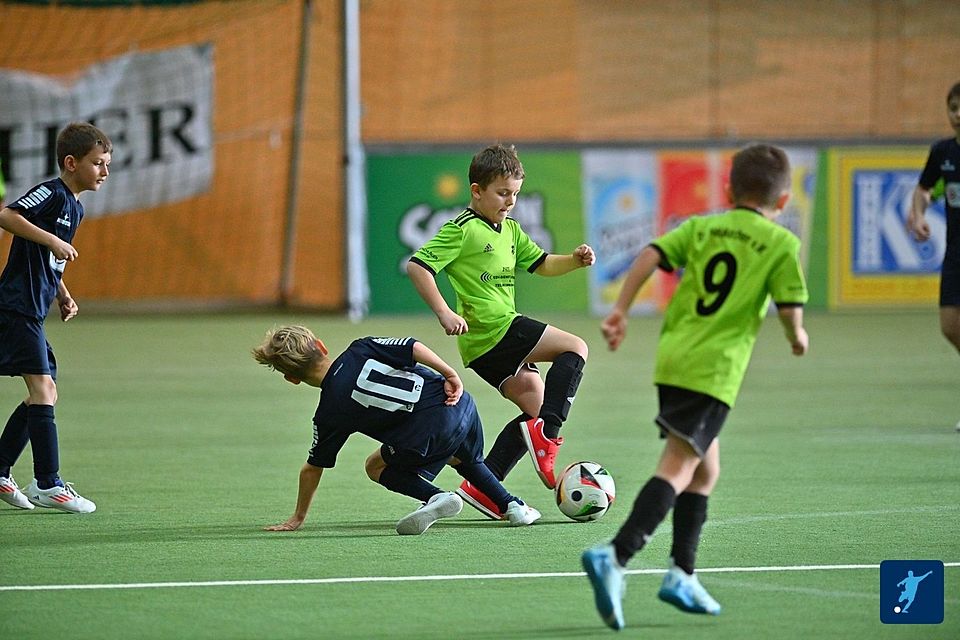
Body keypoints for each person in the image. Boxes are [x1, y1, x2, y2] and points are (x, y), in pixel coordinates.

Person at [581, 143, 809, 631]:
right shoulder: (781, 243)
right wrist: (797, 335)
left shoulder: (702, 227)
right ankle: (616, 556)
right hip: (713, 371)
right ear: (783, 201)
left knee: (706, 472)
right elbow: (790, 309)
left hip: (674, 359)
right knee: (681, 465)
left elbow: (648, 255)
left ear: (728, 189)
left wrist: (619, 309)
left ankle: (682, 574)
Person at [407, 143, 595, 519]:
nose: (510, 201)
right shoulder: (462, 229)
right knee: (575, 348)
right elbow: (418, 266)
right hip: (493, 328)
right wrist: (444, 312)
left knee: (534, 408)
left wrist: (574, 261)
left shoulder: (510, 230)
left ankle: (484, 485)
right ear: (477, 190)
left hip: (484, 347)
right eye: (502, 193)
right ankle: (550, 435)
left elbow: (541, 264)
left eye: (515, 194)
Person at [253, 325, 541, 535]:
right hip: (459, 403)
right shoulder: (361, 347)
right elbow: (413, 346)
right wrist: (450, 374)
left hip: (424, 436)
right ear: (321, 345)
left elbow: (313, 468)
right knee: (463, 458)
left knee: (374, 465)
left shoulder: (328, 413)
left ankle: (436, 497)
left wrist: (298, 517)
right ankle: (513, 507)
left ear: (291, 378)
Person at [0, 122, 111, 514]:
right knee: (43, 390)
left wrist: (62, 294)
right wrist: (51, 239)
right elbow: (7, 215)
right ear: (71, 162)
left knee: (45, 390)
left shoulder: (74, 207)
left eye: (106, 164)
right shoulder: (52, 192)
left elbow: (50, 261)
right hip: (16, 307)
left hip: (30, 309)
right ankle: (48, 482)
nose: (104, 171)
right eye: (97, 163)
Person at [907, 81, 960, 430]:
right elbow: (924, 189)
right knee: (950, 326)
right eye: (953, 107)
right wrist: (919, 213)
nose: (958, 114)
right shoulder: (943, 152)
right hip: (956, 252)